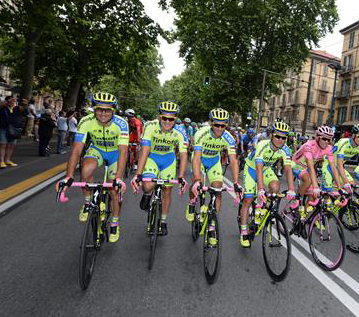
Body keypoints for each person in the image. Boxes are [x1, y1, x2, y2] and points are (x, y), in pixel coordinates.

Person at [56, 92, 128, 243]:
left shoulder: (121, 123)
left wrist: (119, 178)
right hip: (97, 151)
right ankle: (88, 202)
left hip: (115, 153)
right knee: (85, 170)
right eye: (99, 109)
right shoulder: (85, 121)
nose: (103, 113)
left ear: (113, 110)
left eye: (107, 110)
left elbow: (123, 151)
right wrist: (69, 176)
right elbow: (76, 150)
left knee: (114, 189)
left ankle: (115, 222)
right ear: (94, 109)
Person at [131, 102, 188, 236]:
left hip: (168, 160)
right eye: (164, 118)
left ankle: (163, 221)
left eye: (171, 119)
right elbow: (144, 150)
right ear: (159, 117)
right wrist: (138, 174)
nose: (167, 122)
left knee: (167, 190)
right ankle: (146, 194)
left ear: (175, 119)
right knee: (148, 185)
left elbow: (184, 154)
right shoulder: (150, 126)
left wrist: (181, 177)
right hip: (152, 158)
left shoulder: (180, 131)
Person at [238, 121, 295, 247]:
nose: (280, 140)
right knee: (248, 199)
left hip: (266, 169)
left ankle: (261, 209)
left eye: (283, 137)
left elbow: (287, 168)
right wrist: (260, 189)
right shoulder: (262, 145)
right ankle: (243, 231)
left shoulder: (285, 149)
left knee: (275, 187)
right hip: (252, 169)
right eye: (278, 136)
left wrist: (291, 189)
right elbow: (258, 167)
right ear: (272, 135)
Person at [186, 108, 242, 236]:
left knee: (218, 190)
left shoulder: (229, 138)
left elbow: (233, 161)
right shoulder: (201, 133)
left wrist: (235, 182)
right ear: (211, 123)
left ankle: (211, 226)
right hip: (200, 160)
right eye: (216, 124)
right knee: (195, 183)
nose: (220, 128)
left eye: (223, 125)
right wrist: (197, 180)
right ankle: (191, 203)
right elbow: (197, 158)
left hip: (214, 162)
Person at [292, 125, 343, 202]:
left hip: (308, 168)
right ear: (318, 138)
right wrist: (315, 187)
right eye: (324, 139)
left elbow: (333, 168)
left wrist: (339, 187)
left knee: (314, 195)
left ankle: (307, 212)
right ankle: (296, 201)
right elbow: (310, 167)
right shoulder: (309, 146)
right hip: (296, 165)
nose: (326, 142)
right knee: (309, 181)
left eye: (328, 140)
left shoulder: (329, 148)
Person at [322, 124, 359, 193]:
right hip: (328, 165)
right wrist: (345, 182)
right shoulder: (343, 143)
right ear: (353, 135)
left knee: (351, 187)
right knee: (327, 191)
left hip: (339, 167)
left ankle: (338, 202)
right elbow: (339, 164)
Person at [0, 96, 23, 168]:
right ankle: (2, 161)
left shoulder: (17, 108)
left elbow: (25, 111)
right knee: (3, 144)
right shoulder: (2, 108)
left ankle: (7, 160)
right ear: (7, 101)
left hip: (14, 129)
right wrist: (7, 101)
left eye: (14, 100)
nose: (13, 101)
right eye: (11, 100)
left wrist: (23, 103)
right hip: (3, 128)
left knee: (11, 145)